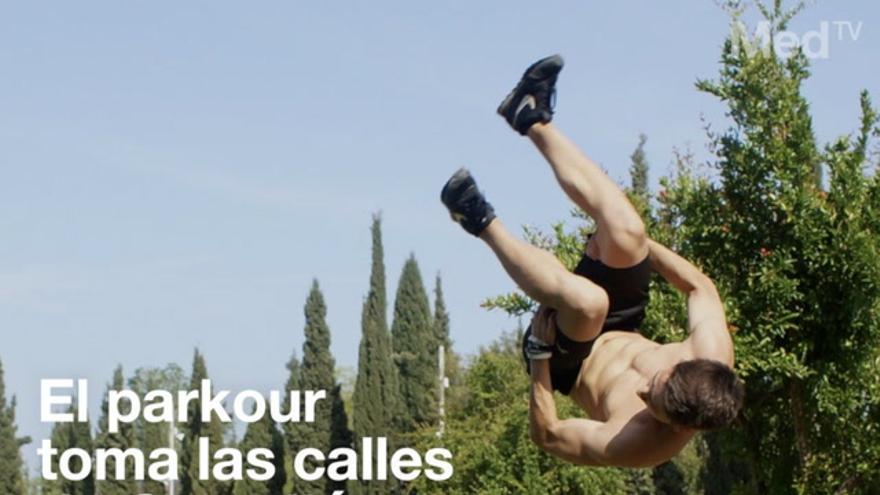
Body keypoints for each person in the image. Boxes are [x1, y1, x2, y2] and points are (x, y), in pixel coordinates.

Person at [440, 55, 744, 467]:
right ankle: (529, 114)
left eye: (650, 402)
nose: (641, 391)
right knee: (627, 230)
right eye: (655, 383)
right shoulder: (710, 352)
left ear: (678, 427)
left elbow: (548, 435)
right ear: (685, 365)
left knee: (588, 303)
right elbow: (699, 287)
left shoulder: (640, 443)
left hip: (566, 357)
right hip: (623, 319)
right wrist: (634, 248)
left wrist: (539, 356)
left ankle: (477, 218)